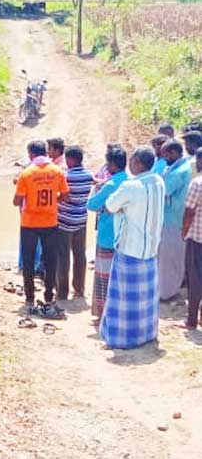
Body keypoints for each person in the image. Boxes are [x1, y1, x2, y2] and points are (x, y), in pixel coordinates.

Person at [100, 146, 165, 350]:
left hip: (130, 248)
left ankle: (122, 338)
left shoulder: (131, 186)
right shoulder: (159, 181)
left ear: (137, 162)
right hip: (151, 248)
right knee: (145, 298)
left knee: (123, 299)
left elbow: (110, 205)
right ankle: (146, 334)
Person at [14, 140, 70, 316]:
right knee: (50, 261)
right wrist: (53, 202)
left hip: (29, 223)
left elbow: (16, 200)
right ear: (45, 152)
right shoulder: (57, 171)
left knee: (29, 262)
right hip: (50, 222)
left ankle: (30, 299)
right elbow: (66, 195)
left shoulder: (26, 173)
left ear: (31, 154)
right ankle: (48, 297)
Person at [87, 145, 129, 323]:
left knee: (104, 277)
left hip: (106, 236)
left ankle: (104, 315)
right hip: (125, 238)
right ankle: (118, 312)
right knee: (119, 277)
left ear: (111, 164)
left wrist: (96, 189)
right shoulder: (129, 180)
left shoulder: (110, 184)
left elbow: (91, 205)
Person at [56, 145, 94, 300]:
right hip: (81, 220)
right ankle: (79, 289)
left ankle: (62, 292)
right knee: (80, 255)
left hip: (64, 221)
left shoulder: (65, 176)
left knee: (63, 257)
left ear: (70, 159)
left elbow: (61, 196)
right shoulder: (89, 175)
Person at [158, 139, 192, 301]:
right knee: (169, 257)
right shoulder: (175, 167)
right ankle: (169, 289)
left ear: (173, 153)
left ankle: (167, 292)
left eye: (165, 154)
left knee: (170, 258)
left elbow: (164, 190)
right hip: (171, 218)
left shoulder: (179, 172)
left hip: (173, 220)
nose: (164, 158)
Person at [182, 148, 202, 329]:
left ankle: (191, 320)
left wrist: (184, 231)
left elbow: (189, 211)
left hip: (197, 239)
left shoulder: (197, 183)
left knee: (194, 280)